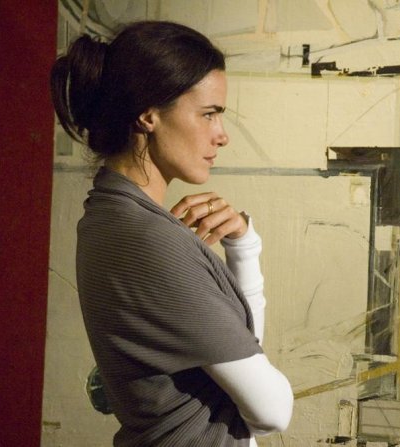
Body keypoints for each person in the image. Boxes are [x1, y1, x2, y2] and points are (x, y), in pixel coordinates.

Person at [50, 21, 293, 446]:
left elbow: (242, 351)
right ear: (149, 115)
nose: (222, 135)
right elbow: (272, 410)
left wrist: (242, 246)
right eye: (209, 114)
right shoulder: (150, 241)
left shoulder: (106, 216)